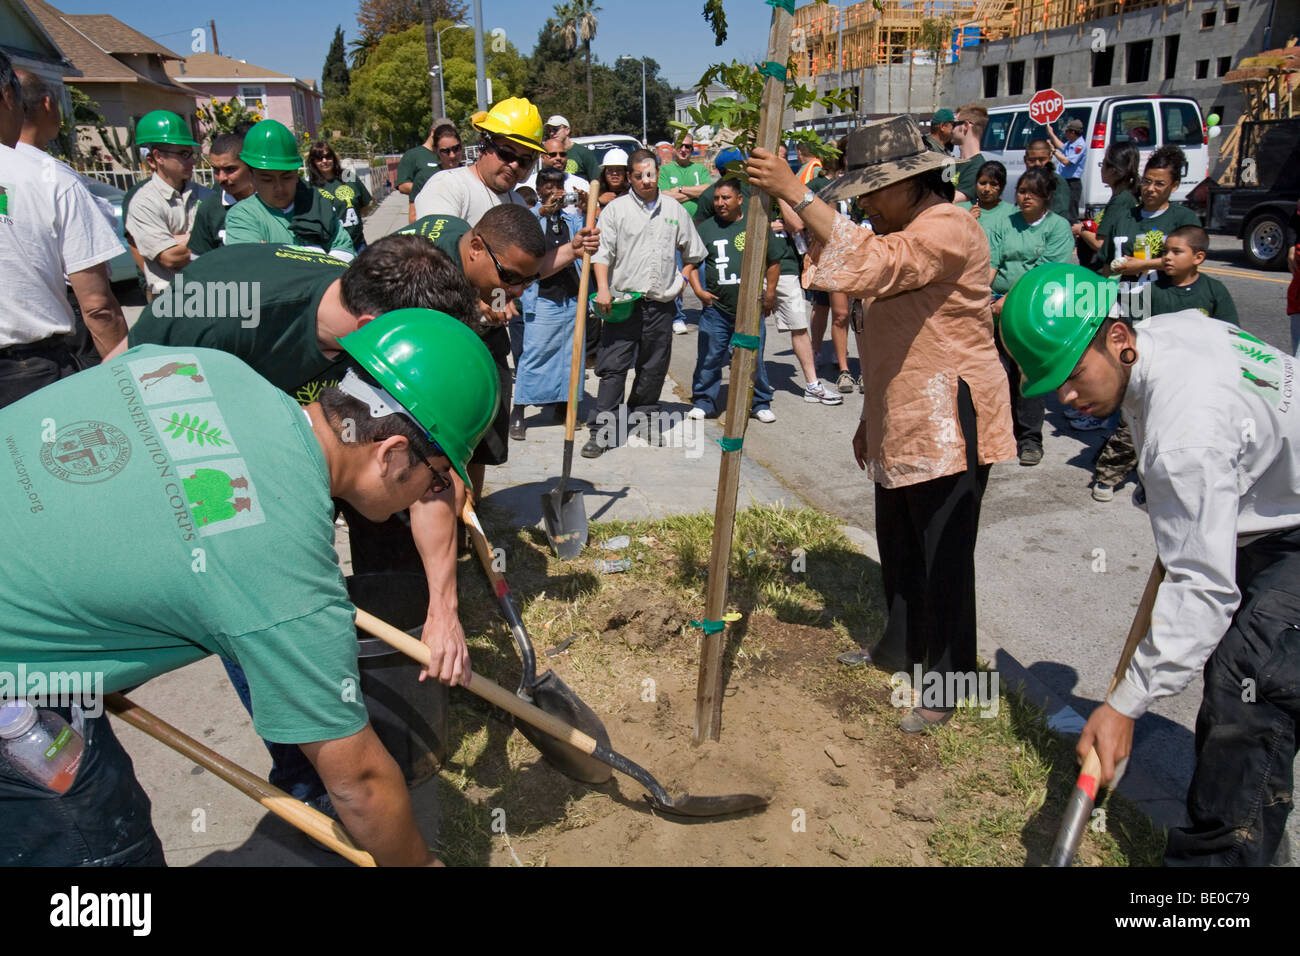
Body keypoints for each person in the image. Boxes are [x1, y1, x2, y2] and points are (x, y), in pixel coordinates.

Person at [0, 309, 499, 866]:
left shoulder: (210, 368)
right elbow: (358, 781)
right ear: (393, 454)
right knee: (105, 857)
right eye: (436, 481)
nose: (431, 497)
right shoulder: (283, 570)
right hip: (13, 689)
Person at [1001, 263, 1300, 866]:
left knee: (1251, 677)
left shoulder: (1185, 432)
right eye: (1051, 382)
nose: (1065, 397)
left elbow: (1202, 589)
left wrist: (1123, 706)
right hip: (1270, 503)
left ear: (1118, 339)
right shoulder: (1165, 334)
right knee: (1237, 666)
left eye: (1074, 373)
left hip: (1290, 528)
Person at [747, 116, 1015, 732]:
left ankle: (947, 683)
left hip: (952, 415)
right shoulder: (903, 225)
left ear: (912, 181)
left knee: (944, 554)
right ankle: (899, 648)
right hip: (904, 413)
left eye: (872, 189)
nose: (865, 202)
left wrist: (797, 191)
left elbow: (867, 264)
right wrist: (872, 418)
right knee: (897, 542)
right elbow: (858, 292)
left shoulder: (946, 226)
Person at [0, 53, 127, 410]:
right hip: (28, 377)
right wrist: (126, 384)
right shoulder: (50, 180)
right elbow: (98, 305)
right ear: (9, 97)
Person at [1090, 225, 1240, 503]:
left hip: (1196, 379)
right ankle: (1107, 476)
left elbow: (1230, 333)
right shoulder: (1152, 289)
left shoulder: (1213, 290)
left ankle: (1163, 483)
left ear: (1199, 257)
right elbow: (1132, 332)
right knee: (1130, 430)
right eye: (1165, 251)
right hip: (1153, 375)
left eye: (1176, 252)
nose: (1167, 257)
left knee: (1182, 434)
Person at [584, 148, 706, 458]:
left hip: (660, 305)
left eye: (650, 174)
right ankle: (603, 430)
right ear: (630, 177)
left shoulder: (674, 210)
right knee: (612, 367)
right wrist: (602, 289)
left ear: (657, 173)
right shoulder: (616, 211)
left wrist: (682, 276)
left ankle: (645, 421)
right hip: (623, 302)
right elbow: (601, 254)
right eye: (638, 175)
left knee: (653, 367)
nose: (645, 181)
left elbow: (694, 251)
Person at [986, 166, 1075, 466]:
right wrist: (978, 295)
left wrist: (1010, 301)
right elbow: (993, 262)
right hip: (996, 305)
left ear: (1047, 196)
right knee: (998, 373)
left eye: (1033, 193)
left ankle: (1029, 439)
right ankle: (1000, 434)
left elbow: (1044, 272)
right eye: (1022, 191)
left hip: (1032, 309)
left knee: (1026, 375)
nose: (1025, 198)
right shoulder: (1005, 221)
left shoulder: (1058, 227)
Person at [684, 178, 779, 422]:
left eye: (726, 198)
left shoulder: (755, 224)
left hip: (749, 307)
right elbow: (691, 263)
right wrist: (698, 290)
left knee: (753, 357)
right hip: (716, 309)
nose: (720, 203)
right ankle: (704, 400)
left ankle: (759, 402)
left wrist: (770, 294)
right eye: (716, 198)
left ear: (739, 200)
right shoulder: (706, 229)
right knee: (710, 356)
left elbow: (774, 261)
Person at [510, 167, 586, 439]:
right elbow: (520, 236)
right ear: (540, 189)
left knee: (571, 355)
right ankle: (518, 412)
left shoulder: (570, 219)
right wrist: (541, 212)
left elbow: (588, 238)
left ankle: (564, 407)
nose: (555, 191)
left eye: (559, 186)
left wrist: (588, 211)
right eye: (549, 186)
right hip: (542, 298)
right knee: (535, 355)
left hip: (571, 296)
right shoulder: (531, 219)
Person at [223, 120, 354, 259]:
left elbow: (346, 252)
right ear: (251, 176)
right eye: (267, 180)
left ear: (297, 174)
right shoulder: (241, 216)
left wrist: (276, 256)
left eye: (286, 178)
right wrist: (321, 260)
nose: (279, 187)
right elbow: (253, 267)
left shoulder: (317, 204)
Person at [124, 110, 212, 300]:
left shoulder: (207, 195)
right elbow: (171, 258)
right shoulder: (143, 203)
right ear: (157, 157)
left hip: (210, 293)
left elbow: (224, 248)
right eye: (183, 154)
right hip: (170, 297)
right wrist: (204, 237)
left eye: (192, 153)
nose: (192, 161)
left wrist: (179, 239)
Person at [414, 97, 542, 222]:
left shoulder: (518, 204)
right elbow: (435, 242)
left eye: (524, 161)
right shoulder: (448, 186)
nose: (514, 165)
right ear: (483, 145)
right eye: (506, 153)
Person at [1102, 145, 1199, 285]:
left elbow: (1188, 260)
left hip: (1163, 300)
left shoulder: (1184, 219)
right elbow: (1107, 264)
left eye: (1159, 184)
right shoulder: (1123, 217)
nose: (1150, 189)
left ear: (1174, 186)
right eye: (1146, 182)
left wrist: (1143, 265)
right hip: (1123, 299)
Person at [659, 133, 713, 335]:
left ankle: (709, 312)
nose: (684, 149)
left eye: (688, 147)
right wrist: (693, 192)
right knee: (676, 275)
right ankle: (677, 317)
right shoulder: (665, 170)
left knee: (705, 274)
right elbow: (664, 196)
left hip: (699, 232)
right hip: (674, 232)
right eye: (681, 146)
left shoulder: (699, 169)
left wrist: (681, 189)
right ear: (674, 148)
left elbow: (707, 191)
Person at [1076, 140, 1141, 273]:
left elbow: (1100, 244)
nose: (1101, 168)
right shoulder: (1122, 196)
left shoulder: (1121, 201)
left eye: (1104, 163)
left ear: (1113, 170)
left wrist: (1080, 231)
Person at [189, 129, 255, 255]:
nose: (222, 178)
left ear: (249, 165)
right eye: (216, 170)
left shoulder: (271, 200)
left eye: (230, 169)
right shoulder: (209, 209)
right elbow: (194, 263)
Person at [309, 140, 372, 252]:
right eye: (319, 158)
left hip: (358, 244)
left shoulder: (347, 175)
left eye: (328, 156)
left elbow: (365, 205)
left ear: (333, 157)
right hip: (333, 248)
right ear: (313, 162)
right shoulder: (311, 186)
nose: (324, 161)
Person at [397, 122, 461, 224]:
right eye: (445, 151)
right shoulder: (424, 175)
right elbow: (414, 217)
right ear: (436, 151)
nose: (452, 155)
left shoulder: (469, 173)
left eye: (456, 148)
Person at [521, 136, 589, 217]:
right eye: (553, 155)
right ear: (542, 157)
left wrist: (587, 207)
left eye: (562, 154)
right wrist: (544, 210)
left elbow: (597, 215)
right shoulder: (526, 183)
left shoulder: (581, 184)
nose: (558, 158)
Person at [1023, 139, 1077, 224]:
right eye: (1032, 160)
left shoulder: (1057, 182)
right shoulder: (1025, 181)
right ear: (1025, 160)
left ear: (1050, 159)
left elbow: (1060, 212)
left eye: (1042, 160)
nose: (1037, 164)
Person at [957, 159, 1015, 234]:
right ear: (975, 183)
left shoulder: (1012, 213)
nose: (987, 189)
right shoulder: (960, 210)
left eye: (993, 184)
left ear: (1002, 186)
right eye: (982, 183)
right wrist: (968, 221)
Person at [1046, 117, 1087, 216]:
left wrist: (1053, 151)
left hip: (1072, 183)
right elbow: (1061, 146)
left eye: (1067, 131)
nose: (1065, 134)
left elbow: (1066, 161)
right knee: (1061, 208)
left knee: (1071, 210)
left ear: (1072, 132)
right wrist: (1051, 134)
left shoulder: (1080, 145)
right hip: (1064, 180)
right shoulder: (1071, 143)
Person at [543, 114, 602, 182]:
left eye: (556, 129)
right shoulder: (546, 154)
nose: (552, 133)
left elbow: (595, 180)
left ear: (567, 130)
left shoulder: (583, 153)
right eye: (549, 131)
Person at [950, 104, 988, 203]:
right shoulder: (951, 163)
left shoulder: (978, 167)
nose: (951, 130)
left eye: (954, 124)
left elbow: (952, 200)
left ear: (965, 126)